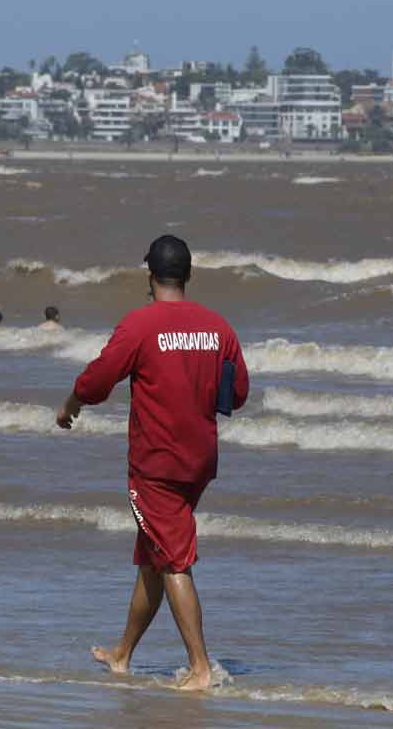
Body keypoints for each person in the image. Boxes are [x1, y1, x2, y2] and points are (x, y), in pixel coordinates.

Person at [56, 235, 249, 692]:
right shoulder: (218, 327)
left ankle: (200, 669)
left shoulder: (141, 324)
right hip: (199, 462)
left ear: (150, 277)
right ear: (188, 275)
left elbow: (99, 377)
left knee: (174, 561)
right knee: (154, 556)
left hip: (156, 464)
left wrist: (70, 404)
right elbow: (237, 393)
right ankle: (122, 653)